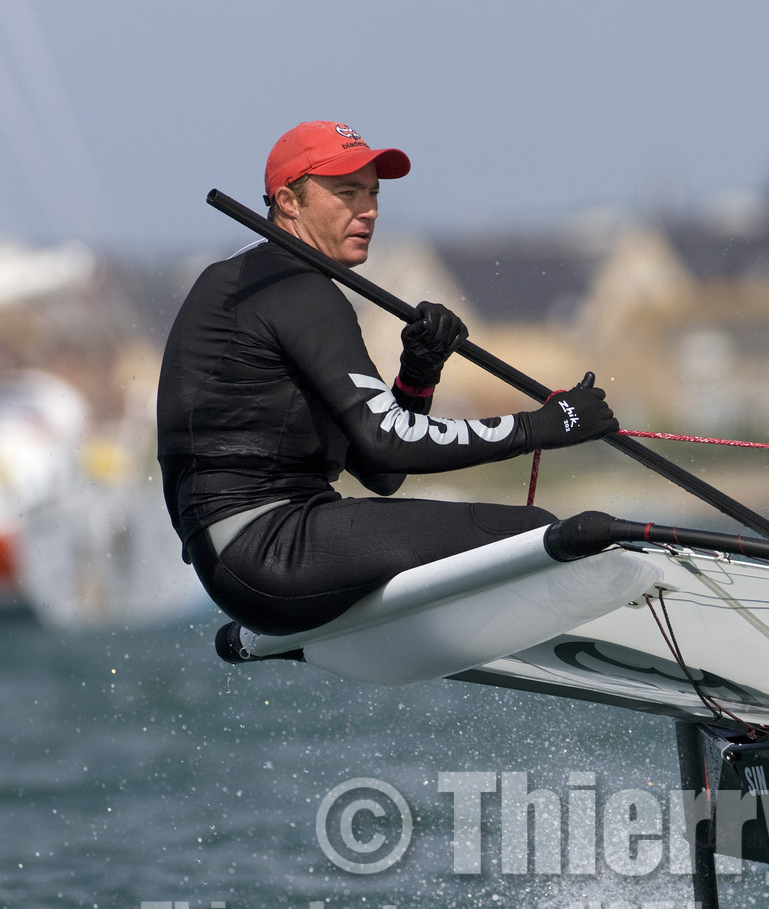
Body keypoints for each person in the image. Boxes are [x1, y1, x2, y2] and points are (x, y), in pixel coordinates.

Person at [157, 120, 618, 636]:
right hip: (265, 549)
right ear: (289, 202)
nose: (369, 210)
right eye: (347, 193)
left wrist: (419, 372)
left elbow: (379, 471)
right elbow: (389, 444)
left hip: (245, 558)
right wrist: (546, 426)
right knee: (533, 537)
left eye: (373, 193)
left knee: (519, 539)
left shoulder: (260, 277)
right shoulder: (297, 290)